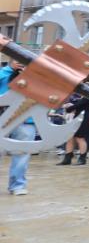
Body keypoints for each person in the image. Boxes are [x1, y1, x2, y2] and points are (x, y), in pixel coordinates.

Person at [1, 62, 36, 196]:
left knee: (22, 154)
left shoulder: (36, 77)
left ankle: (17, 185)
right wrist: (10, 69)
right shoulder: (4, 73)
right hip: (2, 118)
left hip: (26, 120)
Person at [59, 93, 89, 166]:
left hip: (82, 120)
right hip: (81, 119)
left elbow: (76, 106)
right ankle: (68, 157)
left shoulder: (87, 97)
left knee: (79, 138)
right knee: (70, 138)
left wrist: (68, 108)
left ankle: (82, 158)